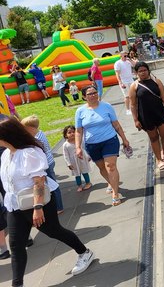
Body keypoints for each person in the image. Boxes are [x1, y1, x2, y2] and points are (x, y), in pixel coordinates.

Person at [0, 118, 95, 286]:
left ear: (7, 135)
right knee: (15, 245)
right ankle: (17, 284)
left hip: (39, 203)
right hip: (15, 205)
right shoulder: (7, 154)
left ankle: (84, 252)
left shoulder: (29, 152)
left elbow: (39, 182)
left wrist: (37, 208)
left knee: (54, 231)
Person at [75, 85, 132, 206]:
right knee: (102, 168)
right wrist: (78, 147)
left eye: (95, 92)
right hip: (92, 144)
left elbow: (116, 124)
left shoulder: (107, 106)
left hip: (109, 140)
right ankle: (111, 183)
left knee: (110, 166)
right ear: (84, 97)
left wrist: (124, 139)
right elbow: (78, 131)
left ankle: (115, 193)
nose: (93, 95)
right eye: (90, 93)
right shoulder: (80, 111)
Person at [129, 61, 164, 170]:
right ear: (136, 73)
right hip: (145, 115)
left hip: (160, 112)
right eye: (140, 71)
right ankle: (159, 160)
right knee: (153, 138)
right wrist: (135, 120)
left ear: (148, 70)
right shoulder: (134, 86)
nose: (143, 73)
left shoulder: (156, 81)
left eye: (144, 70)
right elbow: (133, 105)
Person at [21, 115, 65, 214]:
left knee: (52, 185)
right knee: (51, 184)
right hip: (49, 161)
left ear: (31, 128)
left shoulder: (36, 138)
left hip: (46, 164)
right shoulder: (40, 133)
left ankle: (59, 206)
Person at [62, 125, 92, 192]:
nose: (72, 133)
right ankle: (79, 185)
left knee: (84, 171)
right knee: (77, 174)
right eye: (69, 132)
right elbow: (66, 155)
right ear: (66, 135)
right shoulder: (65, 145)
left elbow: (84, 149)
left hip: (82, 158)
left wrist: (88, 156)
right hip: (73, 162)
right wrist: (68, 164)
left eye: (73, 132)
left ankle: (88, 183)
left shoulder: (79, 141)